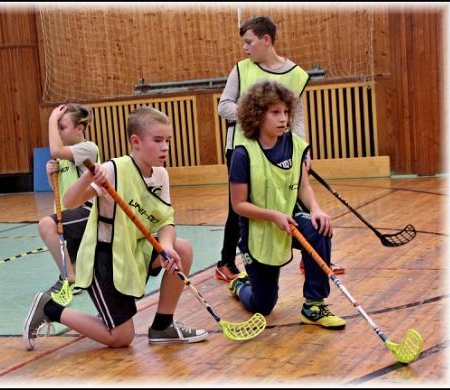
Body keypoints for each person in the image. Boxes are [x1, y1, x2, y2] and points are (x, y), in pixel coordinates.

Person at [23, 106, 208, 349]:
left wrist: (165, 247)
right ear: (136, 141)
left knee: (181, 248)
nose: (165, 147)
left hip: (132, 250)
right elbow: (70, 201)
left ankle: (163, 325)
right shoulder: (114, 169)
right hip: (105, 259)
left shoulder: (161, 175)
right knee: (121, 337)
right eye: (158, 140)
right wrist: (89, 178)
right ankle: (49, 308)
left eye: (167, 141)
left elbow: (165, 220)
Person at [216, 16, 343, 280]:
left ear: (266, 40)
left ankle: (312, 256)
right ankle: (226, 263)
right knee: (238, 206)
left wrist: (303, 150)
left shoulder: (295, 75)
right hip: (242, 147)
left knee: (296, 196)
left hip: (281, 147)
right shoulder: (241, 69)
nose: (245, 48)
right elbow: (223, 106)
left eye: (249, 42)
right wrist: (255, 113)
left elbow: (296, 116)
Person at [228, 80, 346, 330]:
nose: (283, 119)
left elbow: (303, 186)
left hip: (290, 219)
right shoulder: (242, 154)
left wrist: (315, 209)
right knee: (264, 305)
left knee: (319, 227)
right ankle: (240, 284)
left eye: (285, 112)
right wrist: (272, 216)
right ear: (258, 115)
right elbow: (238, 205)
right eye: (275, 112)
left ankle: (314, 304)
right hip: (258, 229)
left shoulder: (295, 146)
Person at [38, 103, 99, 298]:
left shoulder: (87, 149)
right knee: (79, 267)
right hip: (71, 213)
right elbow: (59, 187)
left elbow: (56, 150)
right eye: (57, 127)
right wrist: (51, 174)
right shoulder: (63, 157)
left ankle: (69, 276)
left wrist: (50, 120)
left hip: (89, 212)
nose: (58, 132)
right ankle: (73, 276)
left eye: (61, 127)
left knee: (47, 225)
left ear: (79, 128)